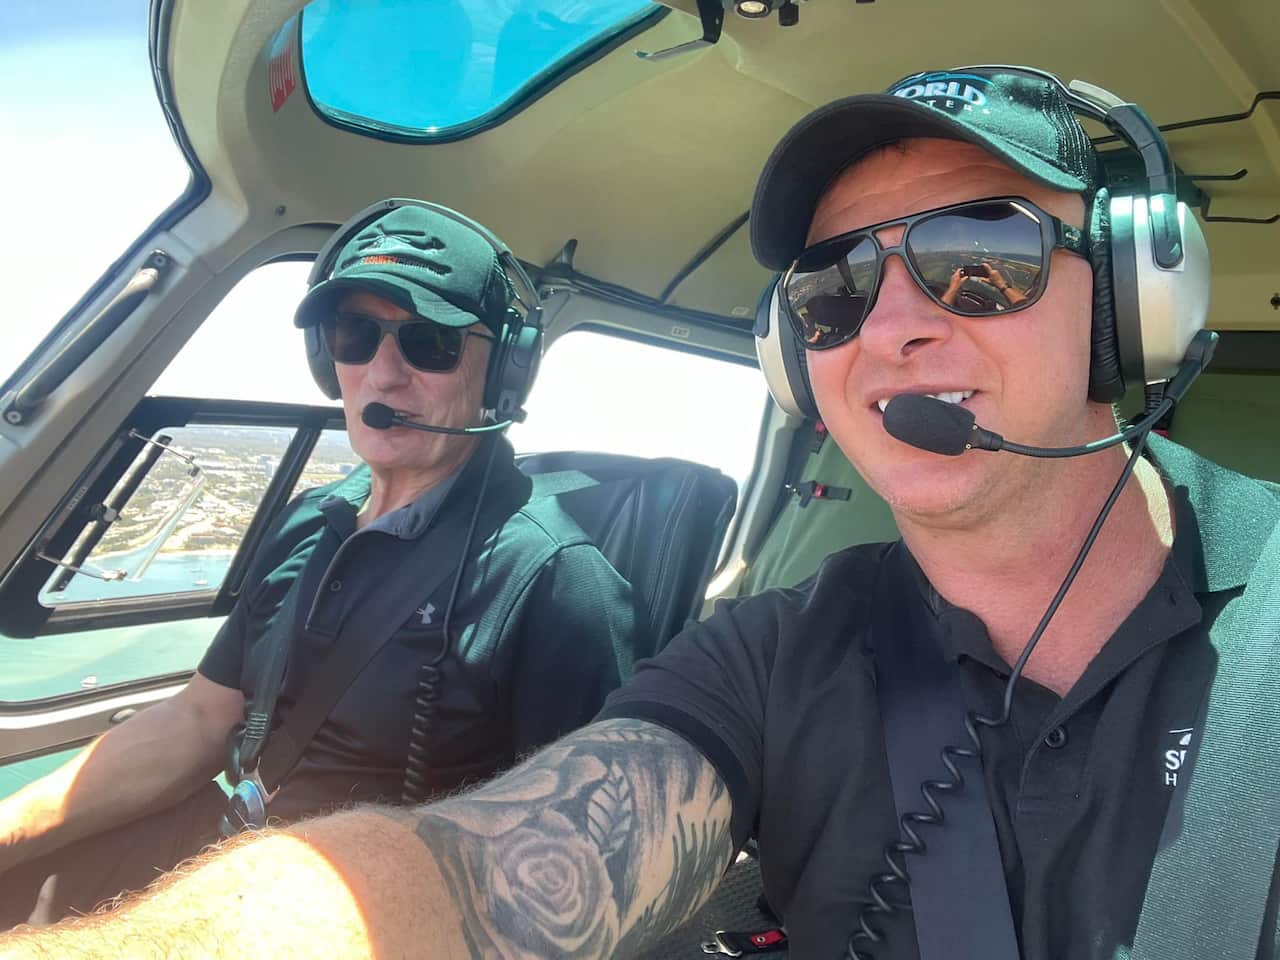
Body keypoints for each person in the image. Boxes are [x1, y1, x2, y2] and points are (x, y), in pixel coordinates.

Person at [3, 66, 1278, 960]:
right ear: (797, 358)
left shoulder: (552, 576)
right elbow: (476, 871)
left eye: (977, 256)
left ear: (1129, 296)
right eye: (832, 288)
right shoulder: (768, 658)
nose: (890, 323)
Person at [0, 202, 638, 931]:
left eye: (430, 343)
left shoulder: (557, 581)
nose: (383, 375)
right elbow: (201, 716)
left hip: (366, 914)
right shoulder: (311, 519)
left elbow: (582, 863)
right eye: (354, 336)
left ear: (504, 369)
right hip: (229, 848)